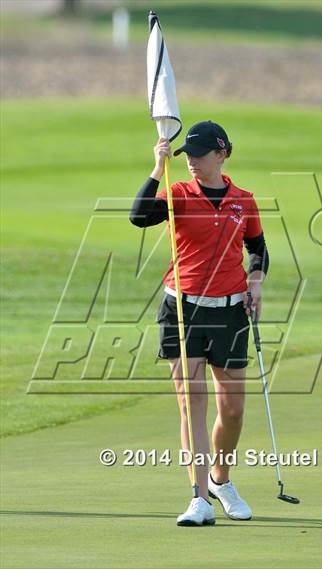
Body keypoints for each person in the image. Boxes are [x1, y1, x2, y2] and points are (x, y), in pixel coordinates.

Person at [130, 120, 269, 526]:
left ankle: (221, 481)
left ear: (222, 154)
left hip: (229, 311)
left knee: (234, 409)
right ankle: (199, 499)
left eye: (199, 153)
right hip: (183, 309)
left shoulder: (244, 200)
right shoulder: (176, 193)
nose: (190, 160)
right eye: (186, 154)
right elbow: (138, 216)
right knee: (193, 405)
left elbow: (257, 246)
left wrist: (256, 280)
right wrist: (157, 168)